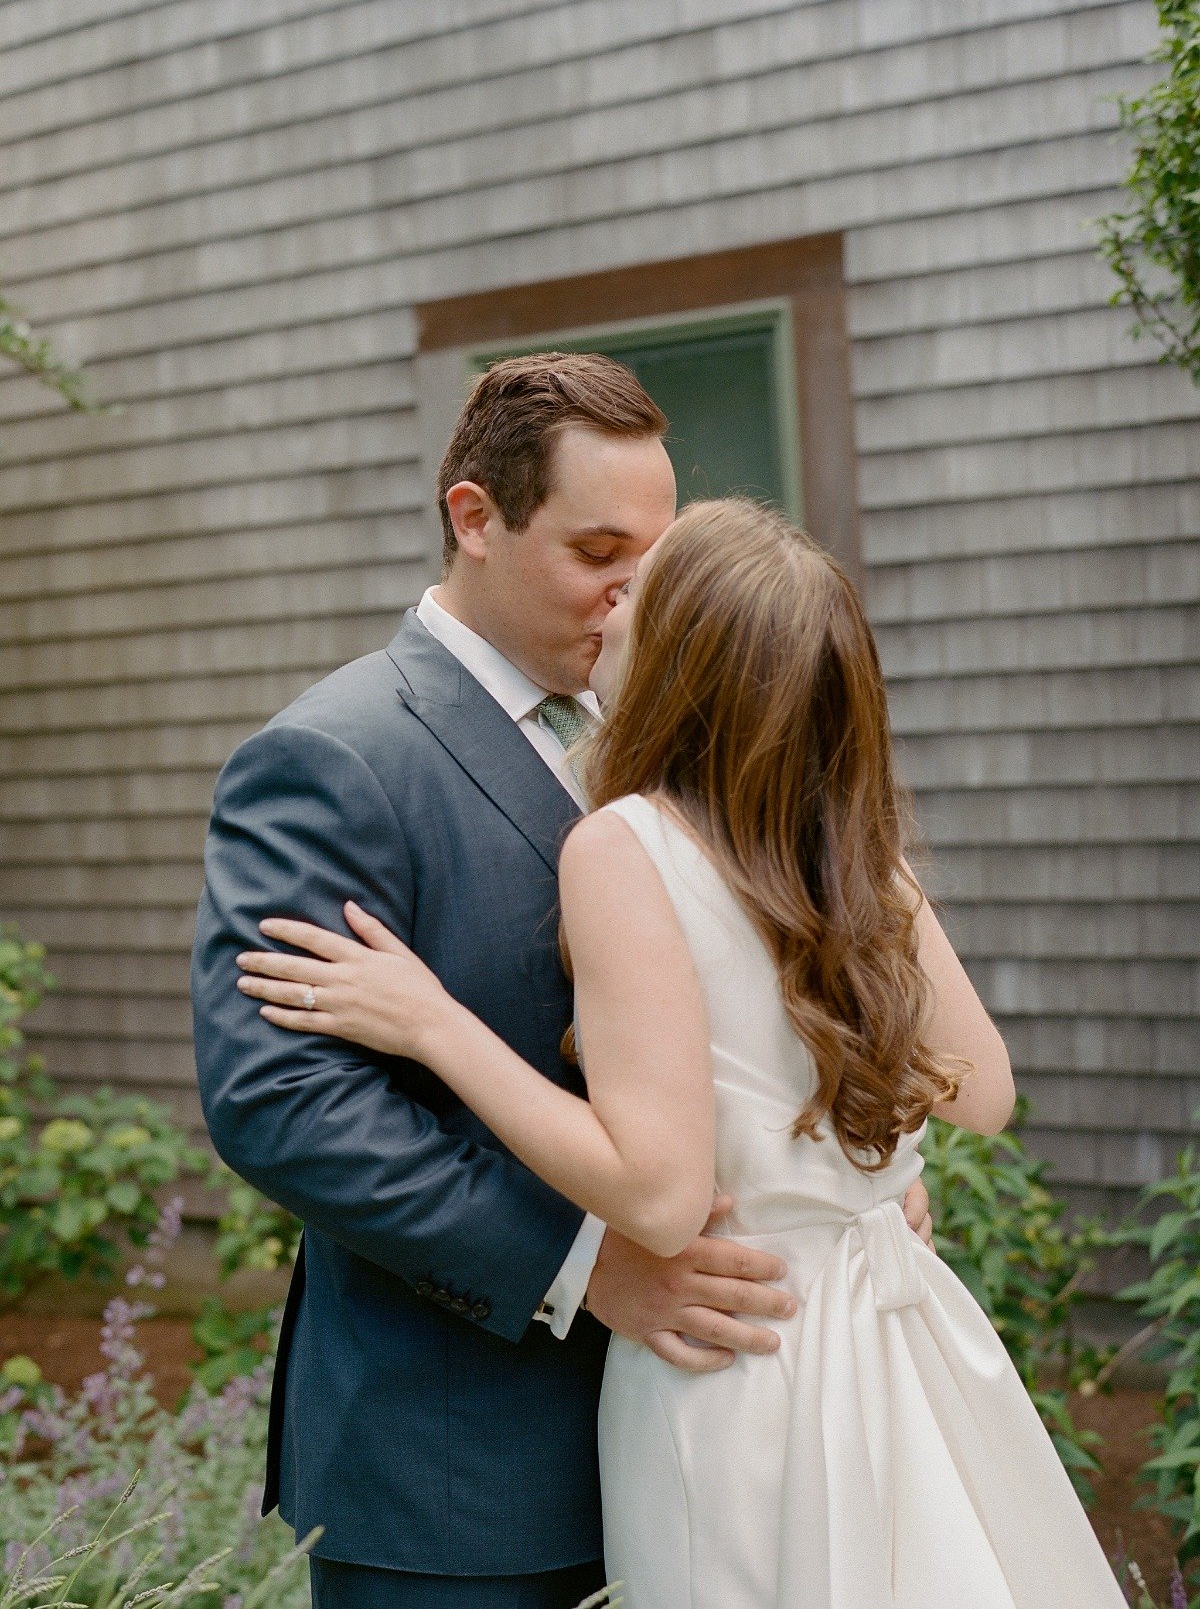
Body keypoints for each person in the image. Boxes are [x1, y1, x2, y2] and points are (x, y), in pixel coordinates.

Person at [237, 497, 1128, 1608]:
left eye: (640, 587)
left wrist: (431, 1025)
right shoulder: (847, 843)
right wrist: (861, 1178)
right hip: (894, 1344)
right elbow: (983, 1092)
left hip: (741, 1368)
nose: (614, 602)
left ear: (684, 656)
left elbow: (658, 1202)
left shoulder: (625, 843)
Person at [192, 353, 937, 1609]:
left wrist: (856, 1175)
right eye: (598, 552)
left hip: (723, 1438)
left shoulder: (673, 737)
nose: (633, 593)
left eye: (655, 558)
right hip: (464, 1477)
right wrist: (589, 1267)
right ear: (474, 520)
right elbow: (282, 1103)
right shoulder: (333, 757)